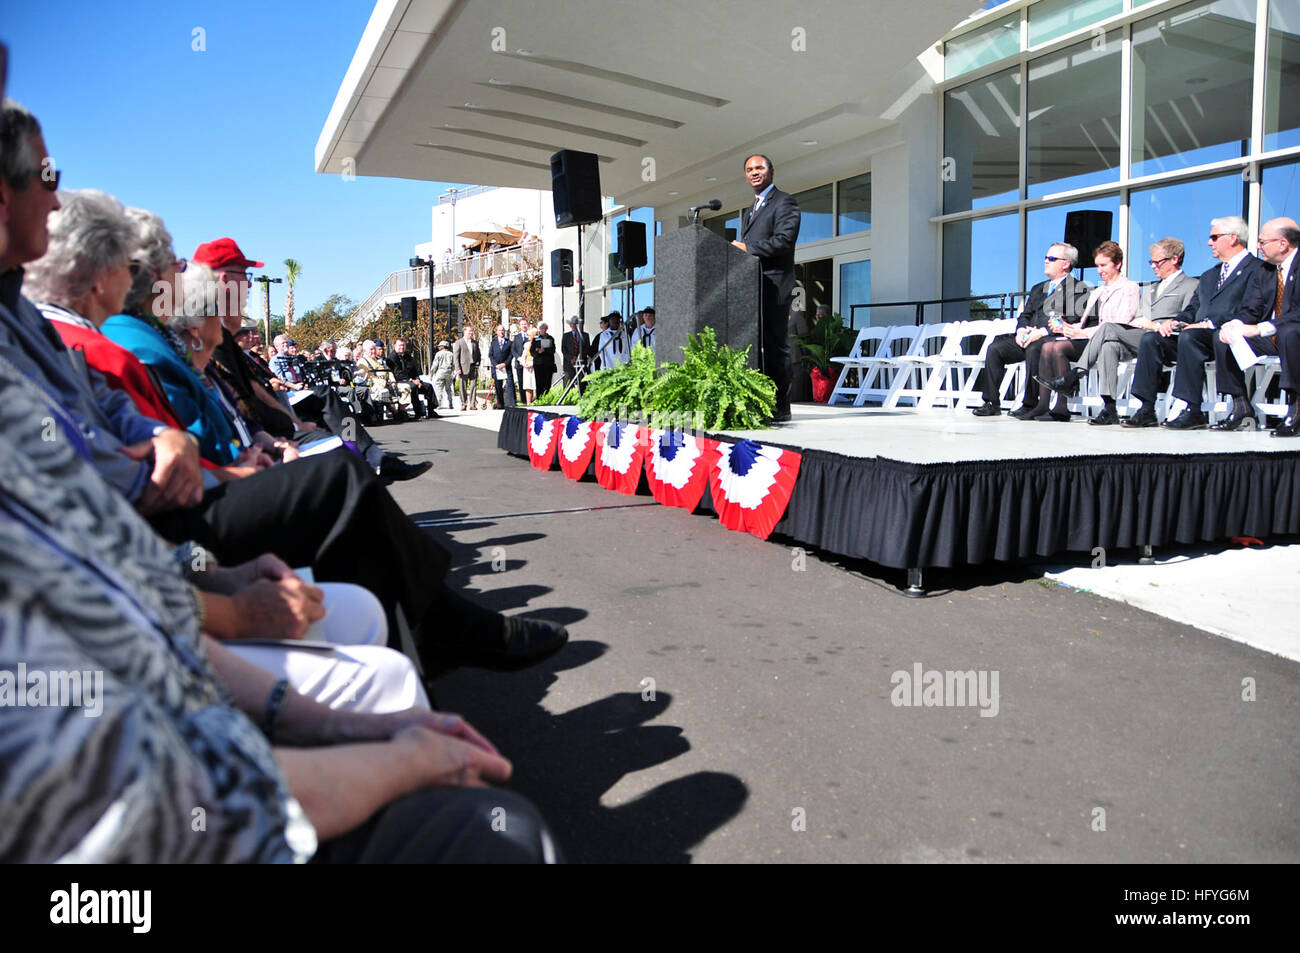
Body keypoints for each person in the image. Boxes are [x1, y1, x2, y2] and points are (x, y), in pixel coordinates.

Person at [1127, 216, 1272, 430]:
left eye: (1214, 237)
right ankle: (1146, 407)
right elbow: (1193, 309)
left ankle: (1193, 409)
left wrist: (1208, 324)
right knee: (1151, 339)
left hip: (1227, 335)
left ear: (1233, 238)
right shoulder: (1209, 275)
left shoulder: (1258, 269)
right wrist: (1175, 322)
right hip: (1196, 338)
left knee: (1190, 337)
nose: (1208, 242)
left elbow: (1252, 311)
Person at [972, 243, 1091, 418]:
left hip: (1051, 338)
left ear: (1066, 264)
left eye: (1051, 258)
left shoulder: (1078, 288)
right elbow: (1025, 315)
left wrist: (1042, 332)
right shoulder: (1038, 288)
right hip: (1027, 336)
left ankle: (1030, 404)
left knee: (1035, 348)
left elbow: (1072, 320)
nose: (1045, 261)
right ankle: (991, 403)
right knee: (995, 348)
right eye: (1045, 257)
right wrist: (1020, 330)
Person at [1033, 241, 1142, 425]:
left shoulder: (1129, 288)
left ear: (1118, 264)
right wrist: (1069, 328)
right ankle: (1106, 407)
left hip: (1121, 338)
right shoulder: (1098, 291)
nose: (1099, 270)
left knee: (1061, 346)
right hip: (1099, 340)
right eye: (1097, 266)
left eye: (1104, 265)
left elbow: (1120, 323)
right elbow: (1085, 324)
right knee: (1051, 344)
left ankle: (1070, 382)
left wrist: (1082, 333)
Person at [1211, 217, 1300, 435]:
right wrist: (1235, 325)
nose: (1258, 247)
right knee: (1222, 337)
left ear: (1283, 243)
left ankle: (1296, 408)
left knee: (1289, 332)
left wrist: (1262, 328)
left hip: (1292, 335)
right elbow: (1251, 307)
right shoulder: (1265, 271)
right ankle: (1241, 405)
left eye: (1262, 242)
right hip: (1273, 338)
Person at [732, 154, 800, 422]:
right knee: (756, 345)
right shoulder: (752, 208)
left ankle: (781, 408)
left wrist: (748, 248)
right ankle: (760, 402)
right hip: (754, 285)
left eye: (759, 168)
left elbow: (784, 240)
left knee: (775, 346)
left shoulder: (784, 202)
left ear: (772, 171)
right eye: (749, 169)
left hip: (775, 284)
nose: (754, 173)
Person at [388, 337, 438, 418]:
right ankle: (418, 412)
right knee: (413, 387)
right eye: (400, 345)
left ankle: (431, 410)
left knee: (428, 386)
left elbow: (414, 370)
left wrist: (417, 379)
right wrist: (411, 380)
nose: (402, 347)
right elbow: (397, 374)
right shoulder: (392, 358)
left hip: (413, 380)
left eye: (403, 345)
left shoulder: (408, 356)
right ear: (394, 346)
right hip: (400, 382)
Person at [453, 324, 480, 410]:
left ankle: (472, 404)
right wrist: (457, 368)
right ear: (464, 332)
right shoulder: (459, 343)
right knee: (462, 387)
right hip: (463, 368)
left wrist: (477, 363)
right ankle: (463, 404)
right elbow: (456, 357)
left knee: (473, 386)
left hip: (473, 367)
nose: (471, 333)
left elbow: (478, 354)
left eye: (472, 331)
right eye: (469, 331)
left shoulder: (475, 343)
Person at [488, 323, 515, 407]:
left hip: (506, 367)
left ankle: (512, 403)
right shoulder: (493, 343)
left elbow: (511, 354)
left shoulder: (509, 343)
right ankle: (500, 403)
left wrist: (505, 364)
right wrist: (496, 365)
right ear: (497, 332)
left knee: (510, 385)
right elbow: (490, 355)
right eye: (500, 330)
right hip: (497, 368)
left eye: (503, 330)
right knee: (498, 386)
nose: (501, 332)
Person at [562, 315, 590, 386]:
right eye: (572, 324)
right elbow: (563, 349)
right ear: (570, 325)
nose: (574, 325)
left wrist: (578, 357)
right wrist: (571, 358)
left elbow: (587, 348)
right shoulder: (566, 336)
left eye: (576, 324)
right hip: (569, 364)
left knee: (582, 383)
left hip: (581, 362)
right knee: (568, 384)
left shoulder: (585, 335)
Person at [430, 339, 456, 411]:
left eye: (440, 346)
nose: (439, 347)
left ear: (443, 346)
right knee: (448, 389)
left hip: (440, 372)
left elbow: (435, 365)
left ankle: (439, 403)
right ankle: (450, 403)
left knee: (439, 389)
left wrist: (431, 374)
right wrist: (454, 374)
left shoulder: (438, 354)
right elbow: (454, 365)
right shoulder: (451, 354)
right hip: (449, 373)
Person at [531, 321, 557, 396]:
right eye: (542, 328)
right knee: (539, 383)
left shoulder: (550, 338)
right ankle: (539, 398)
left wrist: (545, 350)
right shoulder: (536, 339)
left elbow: (553, 350)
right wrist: (538, 352)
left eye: (545, 328)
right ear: (539, 329)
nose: (543, 330)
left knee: (547, 383)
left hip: (548, 364)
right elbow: (532, 351)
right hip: (538, 364)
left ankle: (546, 397)